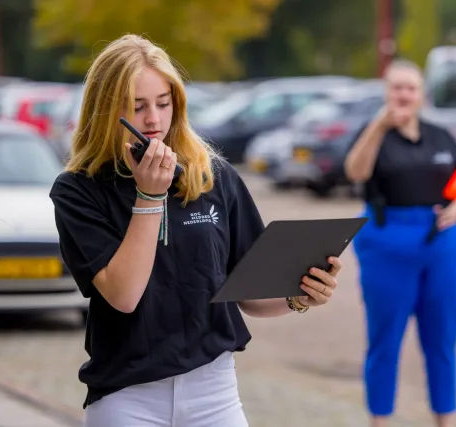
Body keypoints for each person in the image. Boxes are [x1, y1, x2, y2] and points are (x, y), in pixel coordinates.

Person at [49, 34, 344, 427]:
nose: (153, 119)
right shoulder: (78, 190)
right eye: (137, 107)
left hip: (214, 393)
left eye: (163, 103)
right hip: (127, 397)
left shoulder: (213, 176)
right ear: (105, 111)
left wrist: (299, 295)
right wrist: (150, 197)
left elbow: (250, 294)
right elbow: (123, 296)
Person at [344, 59, 456, 427]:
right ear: (386, 92)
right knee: (385, 340)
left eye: (411, 88)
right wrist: (380, 125)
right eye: (397, 87)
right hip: (388, 243)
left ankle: (444, 420)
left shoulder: (441, 136)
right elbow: (356, 171)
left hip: (441, 244)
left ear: (422, 95)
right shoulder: (373, 134)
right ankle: (380, 421)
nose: (404, 94)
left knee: (442, 340)